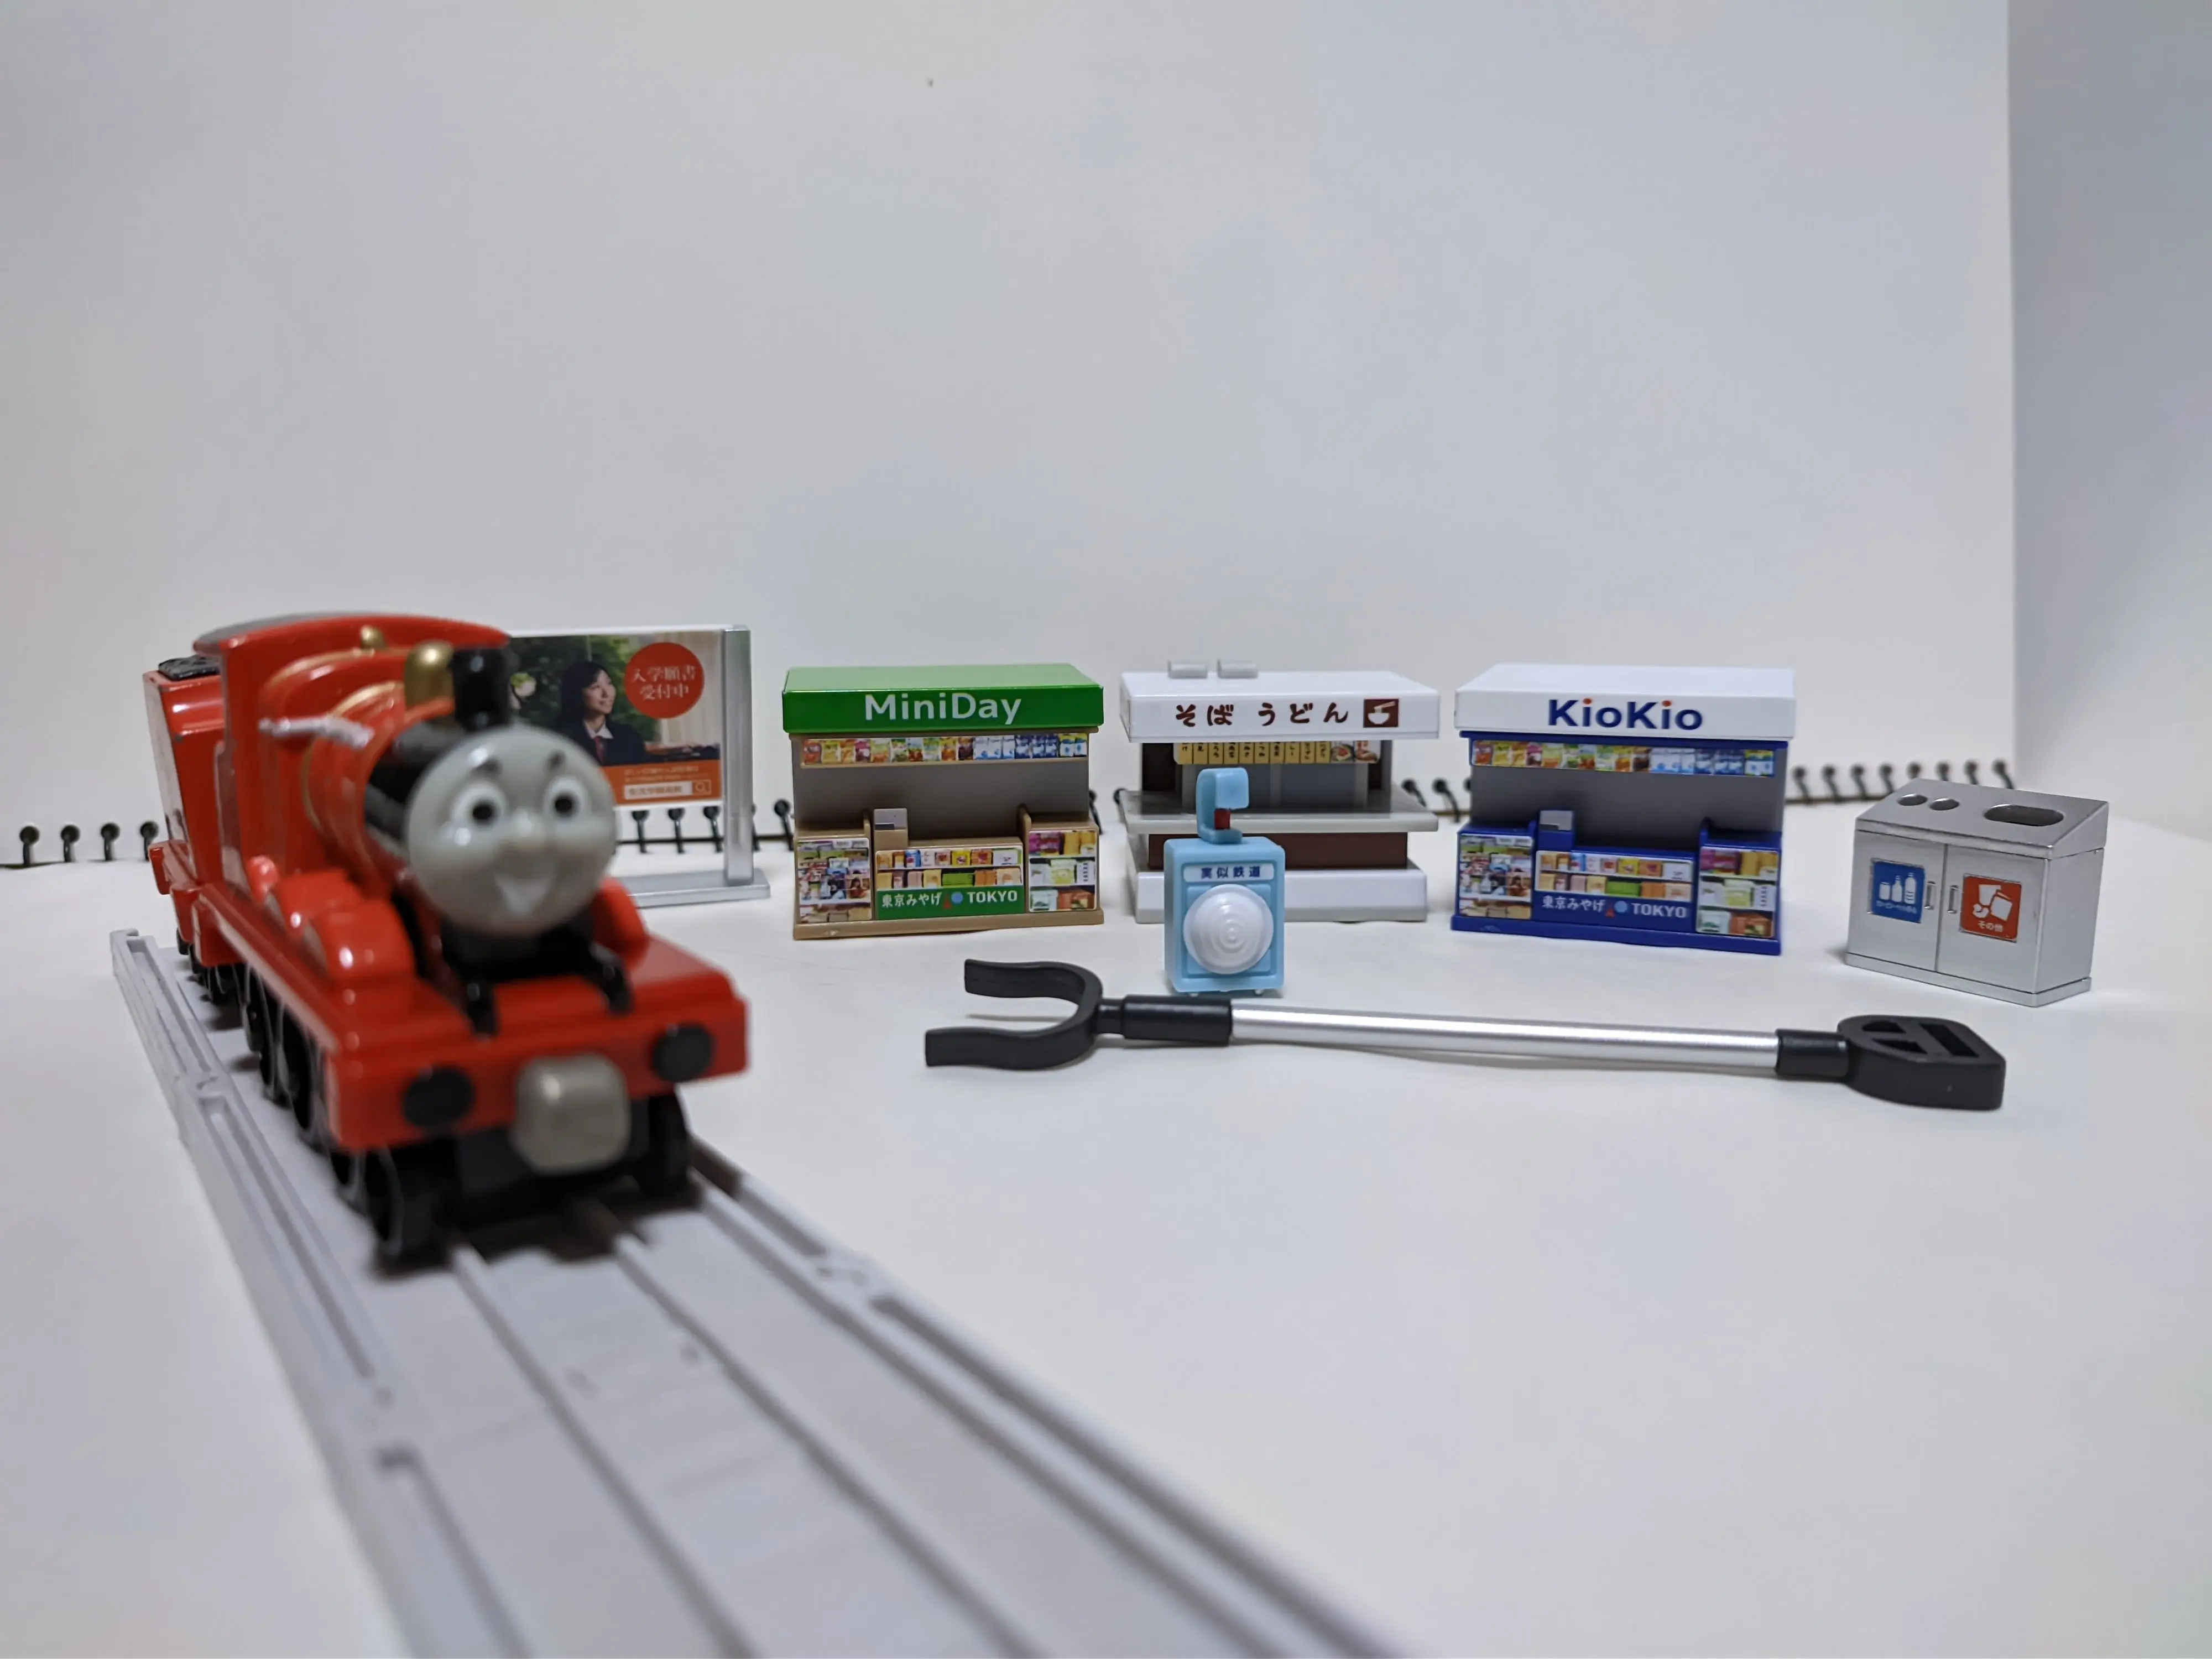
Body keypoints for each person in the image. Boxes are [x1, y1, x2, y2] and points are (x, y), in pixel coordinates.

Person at [554, 661, 649, 766]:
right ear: (576, 693)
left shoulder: (630, 738)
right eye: (596, 687)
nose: (607, 694)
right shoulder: (559, 740)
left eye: (609, 683)